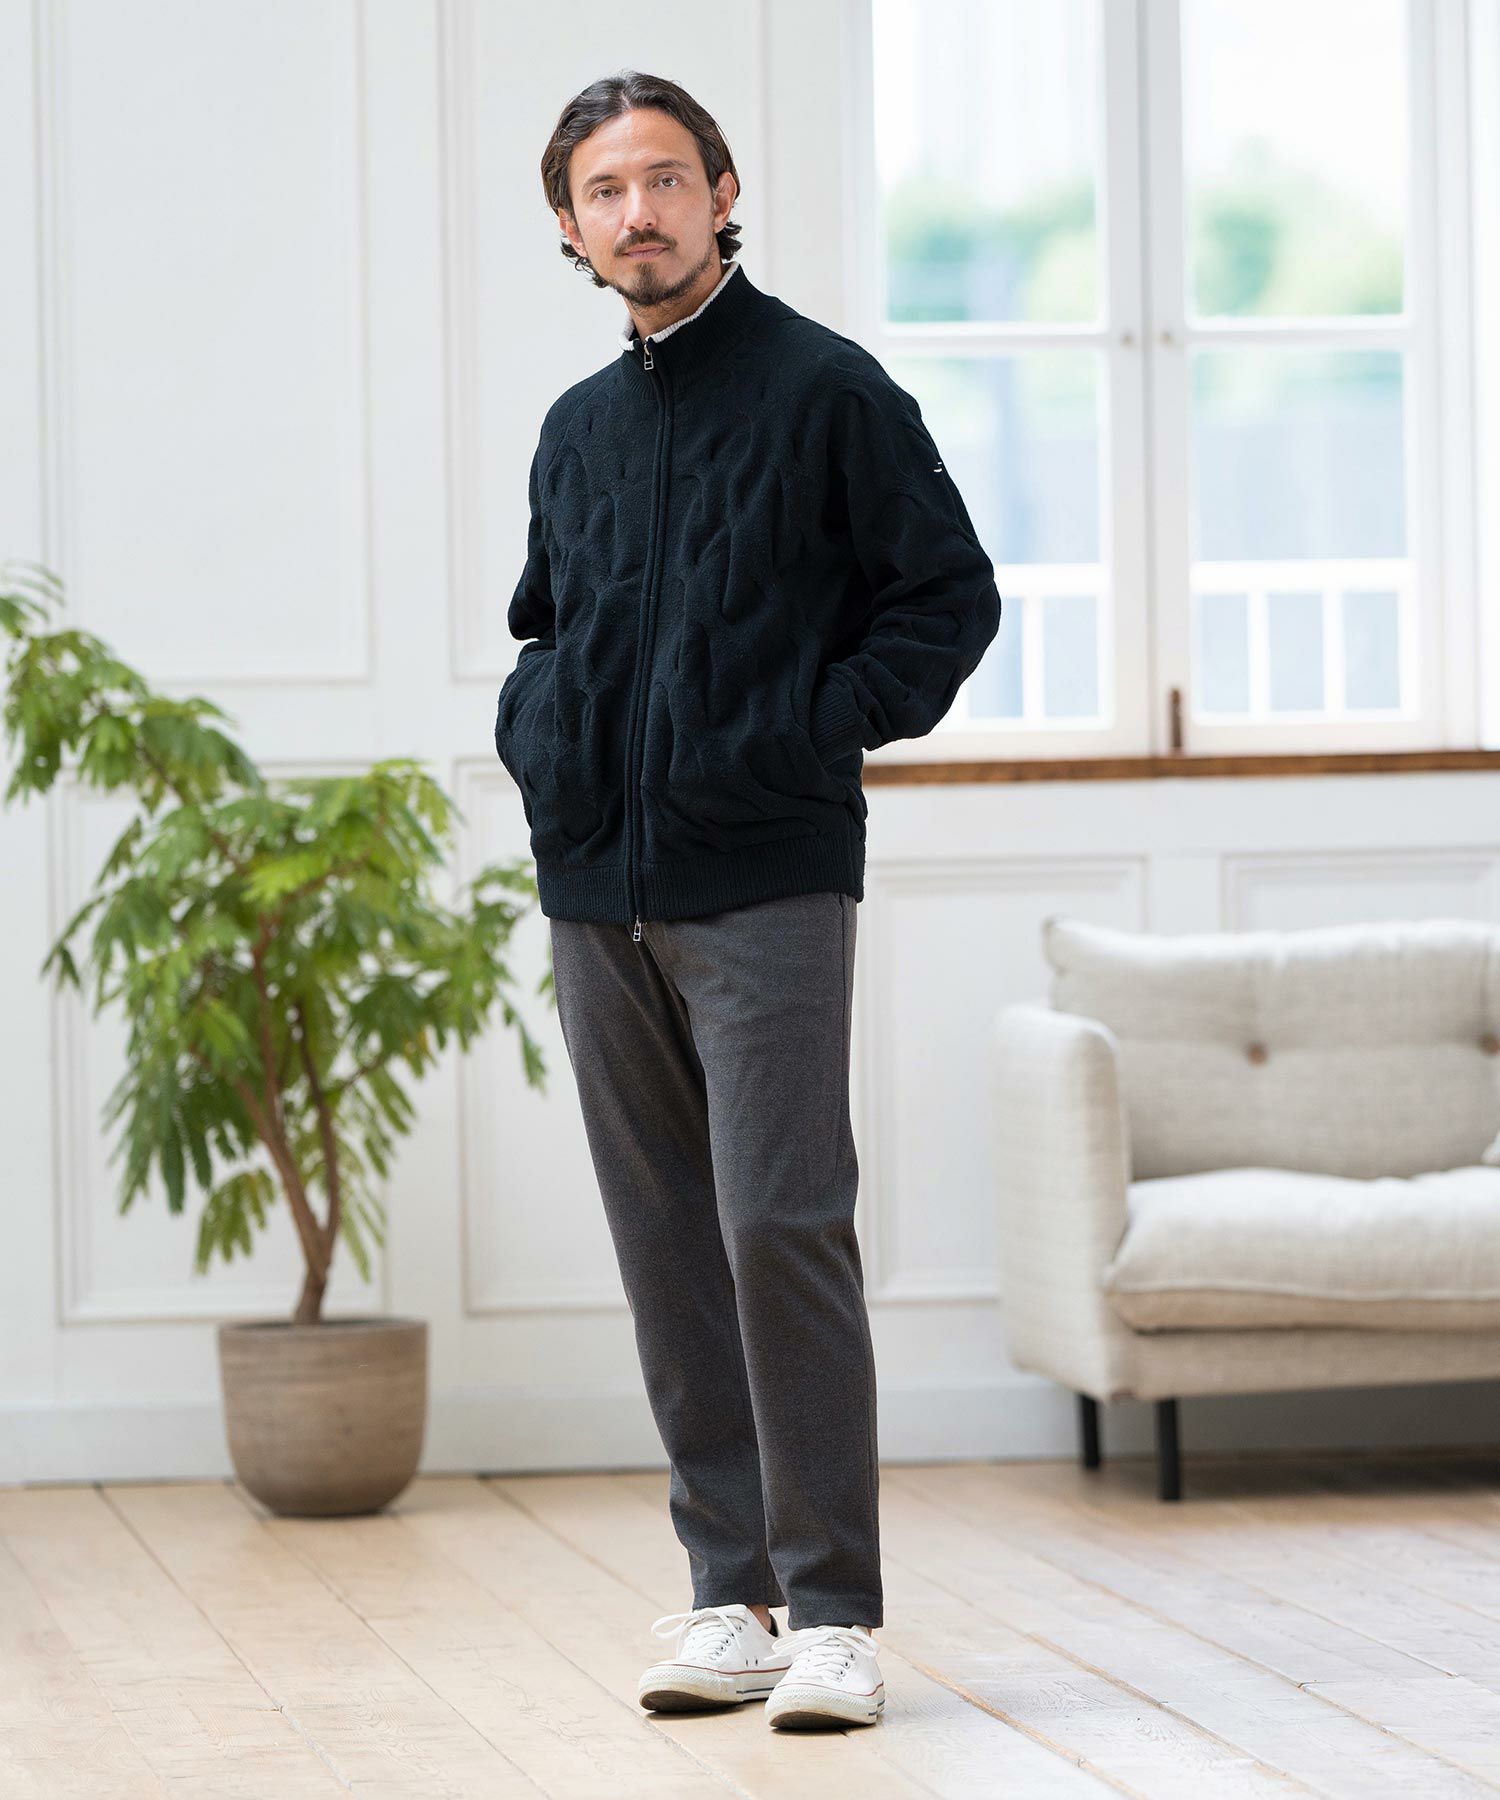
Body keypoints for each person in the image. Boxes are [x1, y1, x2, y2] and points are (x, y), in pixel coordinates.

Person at [495, 70, 1001, 1733]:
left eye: (663, 178)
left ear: (721, 194)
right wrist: (544, 736)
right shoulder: (577, 428)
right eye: (603, 190)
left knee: (781, 1225)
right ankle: (729, 1593)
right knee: (664, 1245)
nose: (635, 212)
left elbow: (947, 598)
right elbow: (546, 627)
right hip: (597, 888)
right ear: (570, 227)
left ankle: (836, 1610)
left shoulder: (825, 389)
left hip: (768, 873)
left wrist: (802, 729)